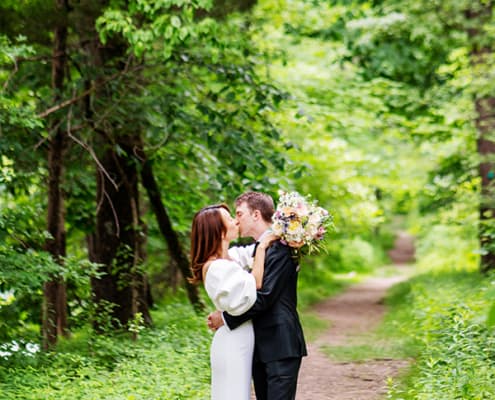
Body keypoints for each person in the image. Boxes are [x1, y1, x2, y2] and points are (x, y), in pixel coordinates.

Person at [208, 192, 307, 400]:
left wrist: (225, 318)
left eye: (239, 213)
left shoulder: (281, 247)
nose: (236, 220)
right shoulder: (257, 249)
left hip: (281, 343)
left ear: (255, 214)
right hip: (261, 344)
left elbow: (264, 297)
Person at [189, 203, 276, 400]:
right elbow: (254, 284)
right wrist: (262, 248)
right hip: (232, 342)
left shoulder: (231, 258)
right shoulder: (217, 267)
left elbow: (253, 248)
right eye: (229, 219)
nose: (236, 221)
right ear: (219, 232)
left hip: (242, 337)